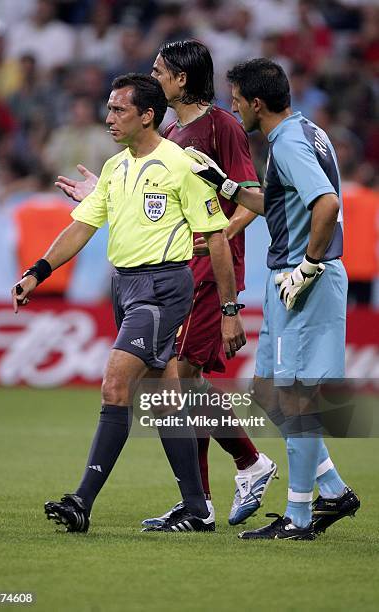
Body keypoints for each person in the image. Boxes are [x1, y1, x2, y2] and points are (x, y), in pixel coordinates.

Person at [11, 73, 246, 534]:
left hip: (162, 288)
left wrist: (229, 309)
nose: (108, 117)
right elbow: (82, 224)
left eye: (119, 110)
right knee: (163, 400)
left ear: (147, 115)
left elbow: (216, 239)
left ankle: (82, 501)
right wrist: (38, 271)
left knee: (115, 384)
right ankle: (197, 508)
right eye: (109, 108)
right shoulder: (117, 167)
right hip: (125, 287)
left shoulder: (183, 165)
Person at [56, 41, 277, 528]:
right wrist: (104, 193)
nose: (154, 76)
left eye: (160, 70)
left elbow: (251, 197)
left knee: (177, 378)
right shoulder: (171, 130)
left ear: (181, 79)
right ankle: (227, 480)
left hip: (204, 264)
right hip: (178, 265)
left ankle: (223, 485)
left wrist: (215, 237)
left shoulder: (221, 125)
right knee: (181, 380)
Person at [187, 58, 360, 540]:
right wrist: (225, 186)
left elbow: (326, 203)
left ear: (256, 103)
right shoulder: (306, 132)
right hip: (291, 280)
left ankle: (300, 518)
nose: (233, 106)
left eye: (237, 99)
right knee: (268, 392)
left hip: (303, 280)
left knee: (295, 399)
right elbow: (282, 203)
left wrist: (307, 265)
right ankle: (334, 492)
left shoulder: (287, 145)